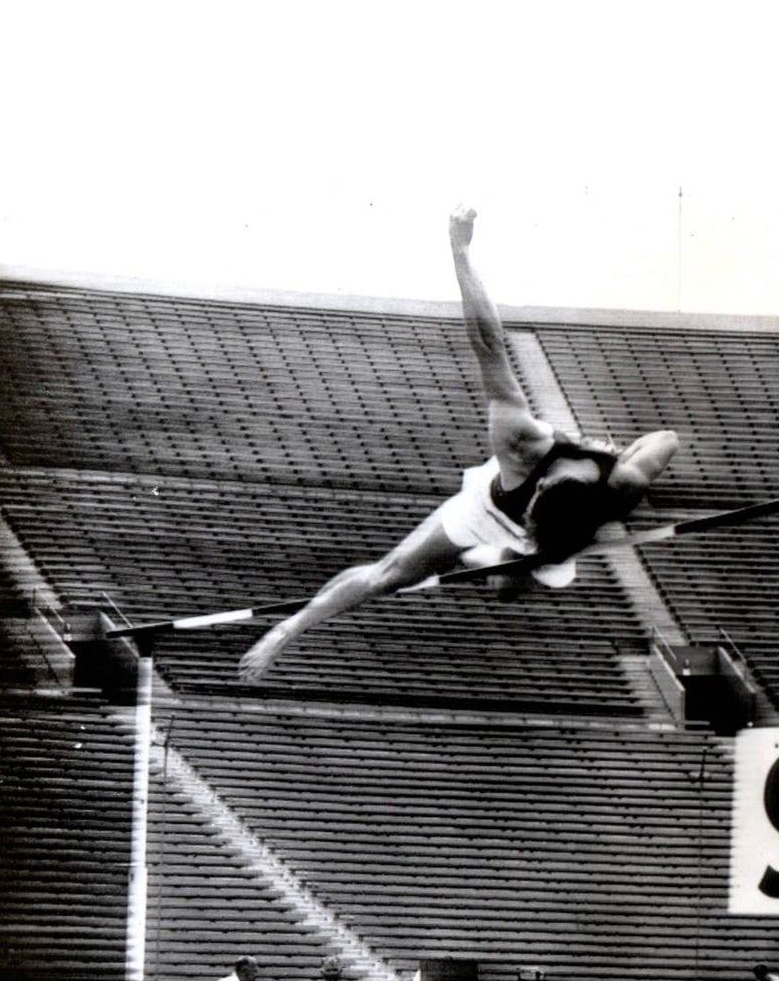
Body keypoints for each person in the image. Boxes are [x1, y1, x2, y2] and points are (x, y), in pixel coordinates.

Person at [239, 206, 680, 681]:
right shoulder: (522, 445)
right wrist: (460, 251)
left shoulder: (616, 492)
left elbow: (667, 440)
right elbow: (489, 342)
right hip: (486, 508)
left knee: (506, 590)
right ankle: (288, 629)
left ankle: (503, 562)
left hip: (554, 538)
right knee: (389, 575)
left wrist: (612, 461)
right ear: (534, 504)